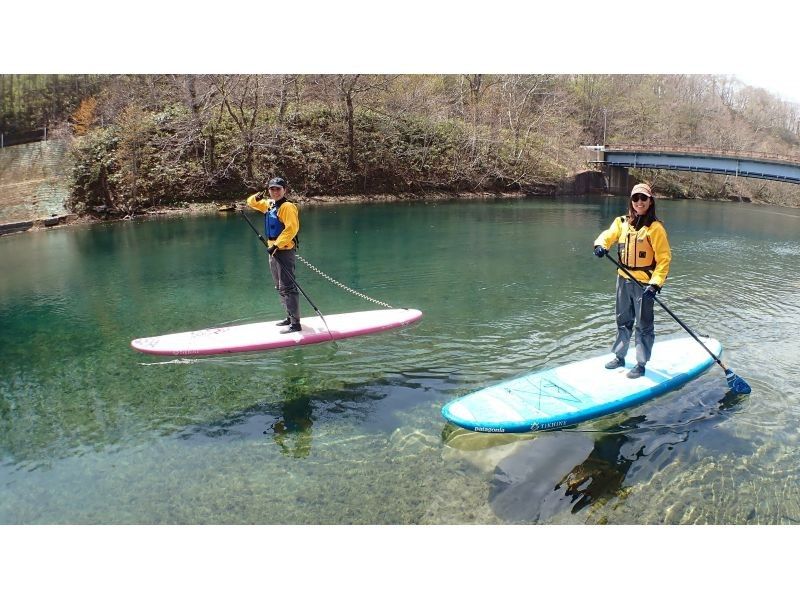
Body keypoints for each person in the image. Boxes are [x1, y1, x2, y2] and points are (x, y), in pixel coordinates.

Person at [593, 182, 671, 379]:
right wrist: (600, 245)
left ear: (650, 201)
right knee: (622, 320)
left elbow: (664, 259)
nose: (639, 202)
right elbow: (608, 236)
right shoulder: (621, 222)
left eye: (643, 198)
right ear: (631, 201)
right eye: (635, 198)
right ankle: (619, 356)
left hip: (644, 285)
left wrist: (655, 284)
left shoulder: (655, 229)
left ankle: (641, 363)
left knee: (643, 325)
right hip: (623, 280)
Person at [245, 176, 302, 333]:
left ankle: (296, 324)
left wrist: (277, 245)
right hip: (273, 250)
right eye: (272, 189)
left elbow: (291, 229)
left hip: (283, 250)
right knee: (279, 286)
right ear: (268, 190)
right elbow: (251, 203)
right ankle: (289, 316)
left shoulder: (287, 207)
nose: (275, 192)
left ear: (285, 190)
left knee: (288, 286)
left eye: (278, 189)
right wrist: (256, 197)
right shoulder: (269, 205)